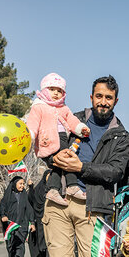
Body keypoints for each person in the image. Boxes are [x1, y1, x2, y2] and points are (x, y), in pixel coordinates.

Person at [43, 75, 129, 257]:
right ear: (91, 97)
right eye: (99, 96)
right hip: (57, 200)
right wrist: (52, 157)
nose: (103, 102)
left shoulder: (121, 136)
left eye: (108, 98)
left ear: (116, 101)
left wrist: (82, 168)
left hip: (92, 205)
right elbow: (45, 142)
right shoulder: (70, 117)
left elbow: (115, 171)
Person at [24, 73, 90, 206]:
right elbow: (33, 123)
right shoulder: (39, 106)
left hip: (62, 138)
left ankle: (53, 189)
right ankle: (72, 186)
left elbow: (71, 120)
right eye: (52, 89)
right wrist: (30, 135)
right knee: (66, 161)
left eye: (59, 91)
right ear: (44, 90)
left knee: (59, 165)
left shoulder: (63, 108)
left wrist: (80, 128)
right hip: (48, 140)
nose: (56, 93)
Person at [0, 176, 35, 257]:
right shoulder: (8, 195)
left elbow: (29, 209)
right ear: (15, 184)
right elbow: (2, 206)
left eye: (23, 184)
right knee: (10, 244)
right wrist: (3, 215)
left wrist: (32, 223)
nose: (22, 186)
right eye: (20, 184)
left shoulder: (24, 195)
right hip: (10, 224)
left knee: (20, 243)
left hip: (22, 224)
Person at [27, 170, 51, 257]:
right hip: (40, 219)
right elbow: (32, 199)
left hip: (51, 218)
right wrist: (31, 187)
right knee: (42, 241)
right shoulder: (39, 188)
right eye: (48, 176)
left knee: (49, 241)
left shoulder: (53, 189)